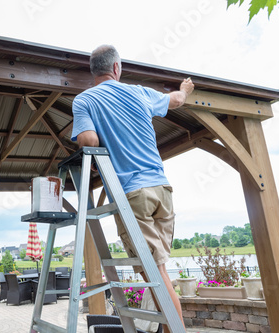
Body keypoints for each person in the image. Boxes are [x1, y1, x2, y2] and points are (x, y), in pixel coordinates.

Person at [71, 44, 194, 333]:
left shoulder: (84, 100)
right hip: (162, 190)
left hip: (133, 194)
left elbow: (88, 142)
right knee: (160, 268)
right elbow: (175, 100)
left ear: (95, 71)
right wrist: (186, 90)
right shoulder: (140, 92)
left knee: (157, 272)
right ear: (116, 68)